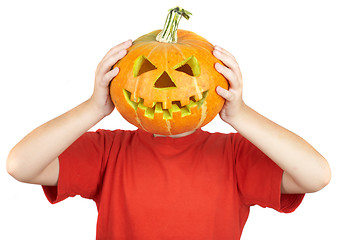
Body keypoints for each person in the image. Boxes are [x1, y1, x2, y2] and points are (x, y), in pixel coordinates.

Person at [6, 39, 331, 239]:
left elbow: (317, 175)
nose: (164, 85)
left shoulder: (234, 155)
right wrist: (93, 108)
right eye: (146, 69)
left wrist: (240, 114)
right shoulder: (107, 150)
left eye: (187, 72)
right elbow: (20, 165)